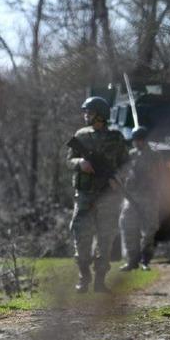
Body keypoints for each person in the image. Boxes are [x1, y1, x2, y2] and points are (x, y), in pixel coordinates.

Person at [66, 96, 128, 293]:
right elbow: (69, 161)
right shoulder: (81, 136)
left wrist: (118, 178)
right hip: (84, 195)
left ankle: (100, 280)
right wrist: (80, 164)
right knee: (81, 237)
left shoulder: (116, 138)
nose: (86, 115)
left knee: (106, 238)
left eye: (89, 112)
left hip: (108, 196)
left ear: (100, 115)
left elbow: (126, 164)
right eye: (86, 112)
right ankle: (84, 277)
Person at [119, 126, 162, 271]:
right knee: (127, 226)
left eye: (140, 140)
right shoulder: (130, 155)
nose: (137, 143)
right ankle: (132, 260)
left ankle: (145, 259)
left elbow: (159, 175)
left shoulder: (154, 155)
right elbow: (123, 173)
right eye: (135, 140)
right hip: (131, 196)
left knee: (149, 229)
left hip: (149, 196)